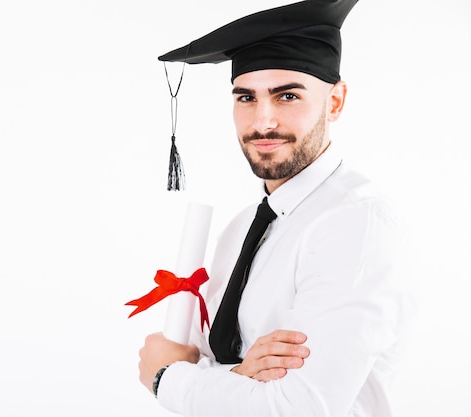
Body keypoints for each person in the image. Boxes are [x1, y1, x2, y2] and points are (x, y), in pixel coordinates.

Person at [135, 0, 414, 416]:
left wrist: (165, 378)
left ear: (335, 102)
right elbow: (209, 363)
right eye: (246, 97)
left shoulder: (355, 221)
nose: (263, 122)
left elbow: (300, 407)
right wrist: (238, 375)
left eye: (287, 95)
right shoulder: (241, 228)